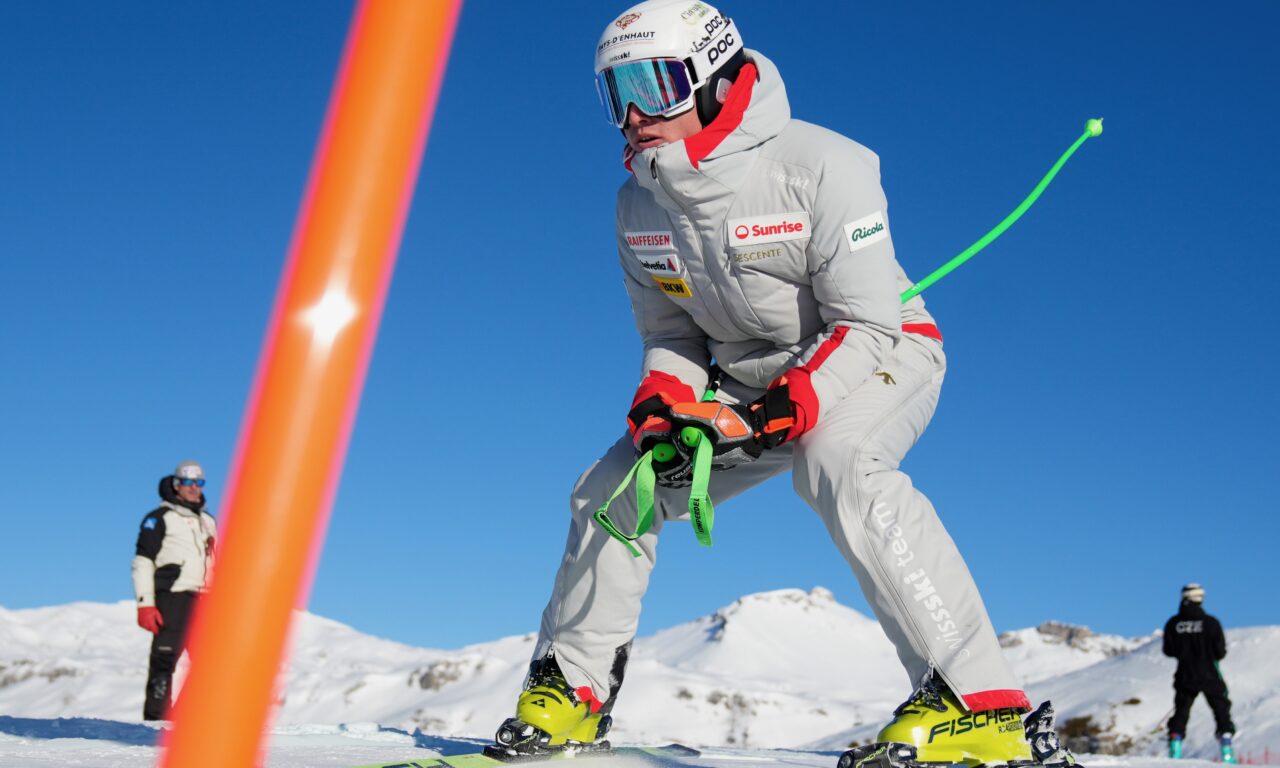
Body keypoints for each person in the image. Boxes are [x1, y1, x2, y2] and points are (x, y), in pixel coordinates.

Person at [488, 3, 1076, 767]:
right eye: (615, 93)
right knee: (616, 487)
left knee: (838, 460)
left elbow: (866, 323)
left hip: (881, 352)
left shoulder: (825, 166)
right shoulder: (636, 204)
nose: (633, 115)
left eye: (655, 86)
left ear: (712, 79)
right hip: (745, 382)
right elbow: (672, 337)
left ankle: (980, 704)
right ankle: (573, 692)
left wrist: (773, 413)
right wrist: (663, 405)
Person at [131, 459, 216, 720]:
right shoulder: (159, 519)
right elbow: (143, 561)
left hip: (205, 599)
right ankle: (155, 724)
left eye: (199, 482)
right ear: (177, 484)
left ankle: (184, 721)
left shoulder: (208, 521)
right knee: (164, 661)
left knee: (212, 663)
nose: (193, 487)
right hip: (173, 595)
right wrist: (145, 603)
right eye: (188, 482)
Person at [1163, 583, 1236, 763]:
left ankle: (1175, 747)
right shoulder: (1211, 623)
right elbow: (1220, 652)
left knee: (1181, 710)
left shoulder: (1173, 623)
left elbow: (1169, 650)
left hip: (1185, 674)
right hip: (1210, 673)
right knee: (1221, 709)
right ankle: (1226, 749)